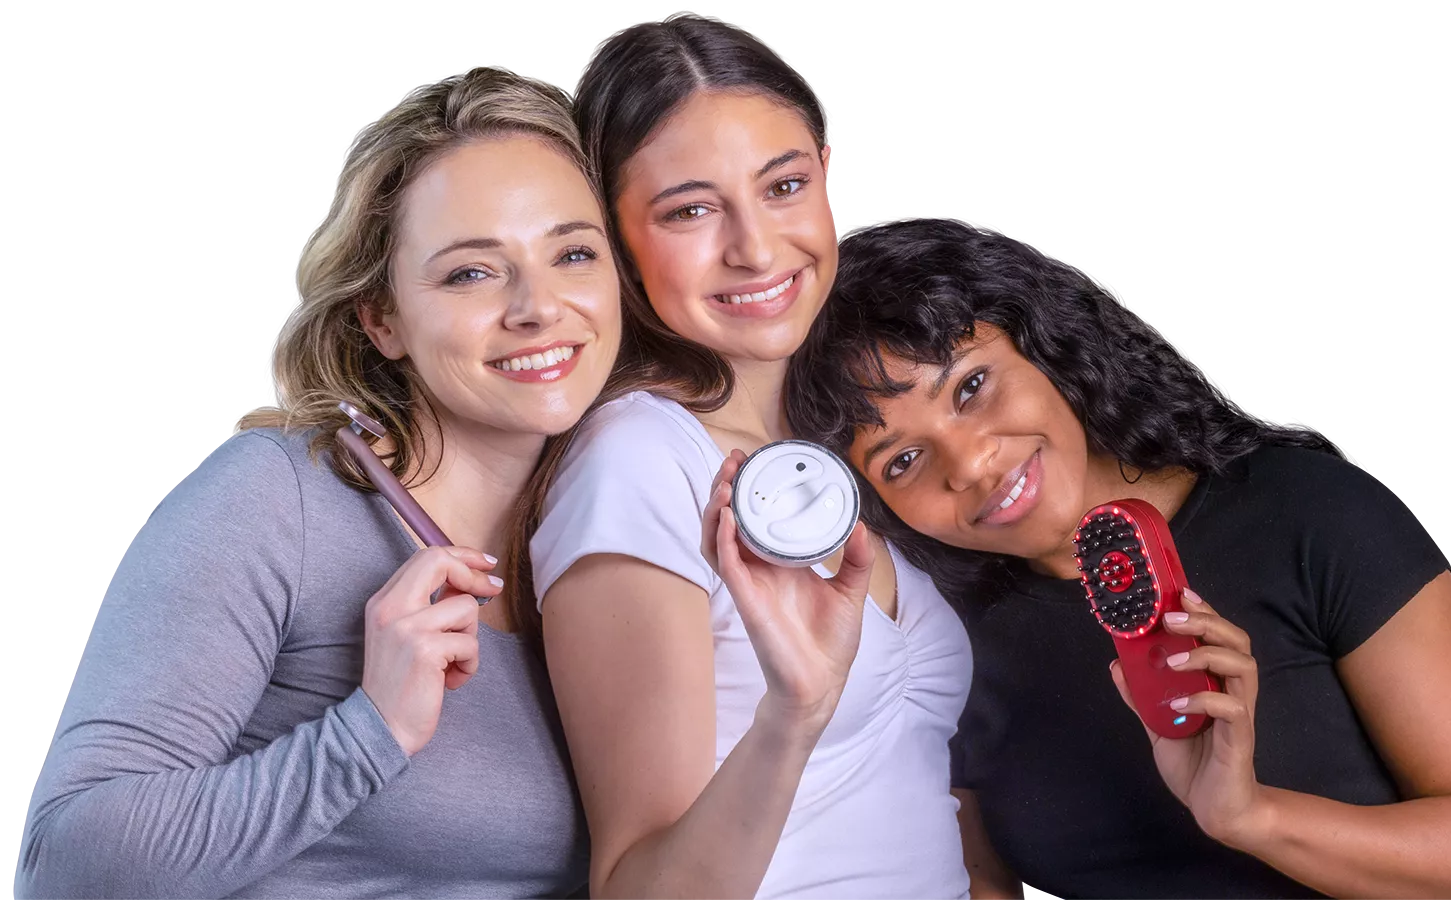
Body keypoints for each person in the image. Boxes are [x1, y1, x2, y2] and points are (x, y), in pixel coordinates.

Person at [785, 215, 1451, 900]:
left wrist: (1251, 817)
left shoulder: (1306, 513)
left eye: (972, 386)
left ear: (1045, 347)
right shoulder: (940, 637)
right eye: (900, 460)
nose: (971, 465)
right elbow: (976, 883)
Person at [15, 66, 619, 900]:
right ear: (383, 319)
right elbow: (65, 866)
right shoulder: (274, 502)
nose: (538, 306)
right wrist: (369, 732)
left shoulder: (623, 527)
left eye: (574, 253)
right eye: (470, 273)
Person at [529, 16, 973, 900]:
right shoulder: (640, 463)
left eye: (783, 185)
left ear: (825, 173)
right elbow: (636, 888)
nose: (757, 248)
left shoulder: (830, 438)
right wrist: (794, 714)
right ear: (614, 242)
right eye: (689, 210)